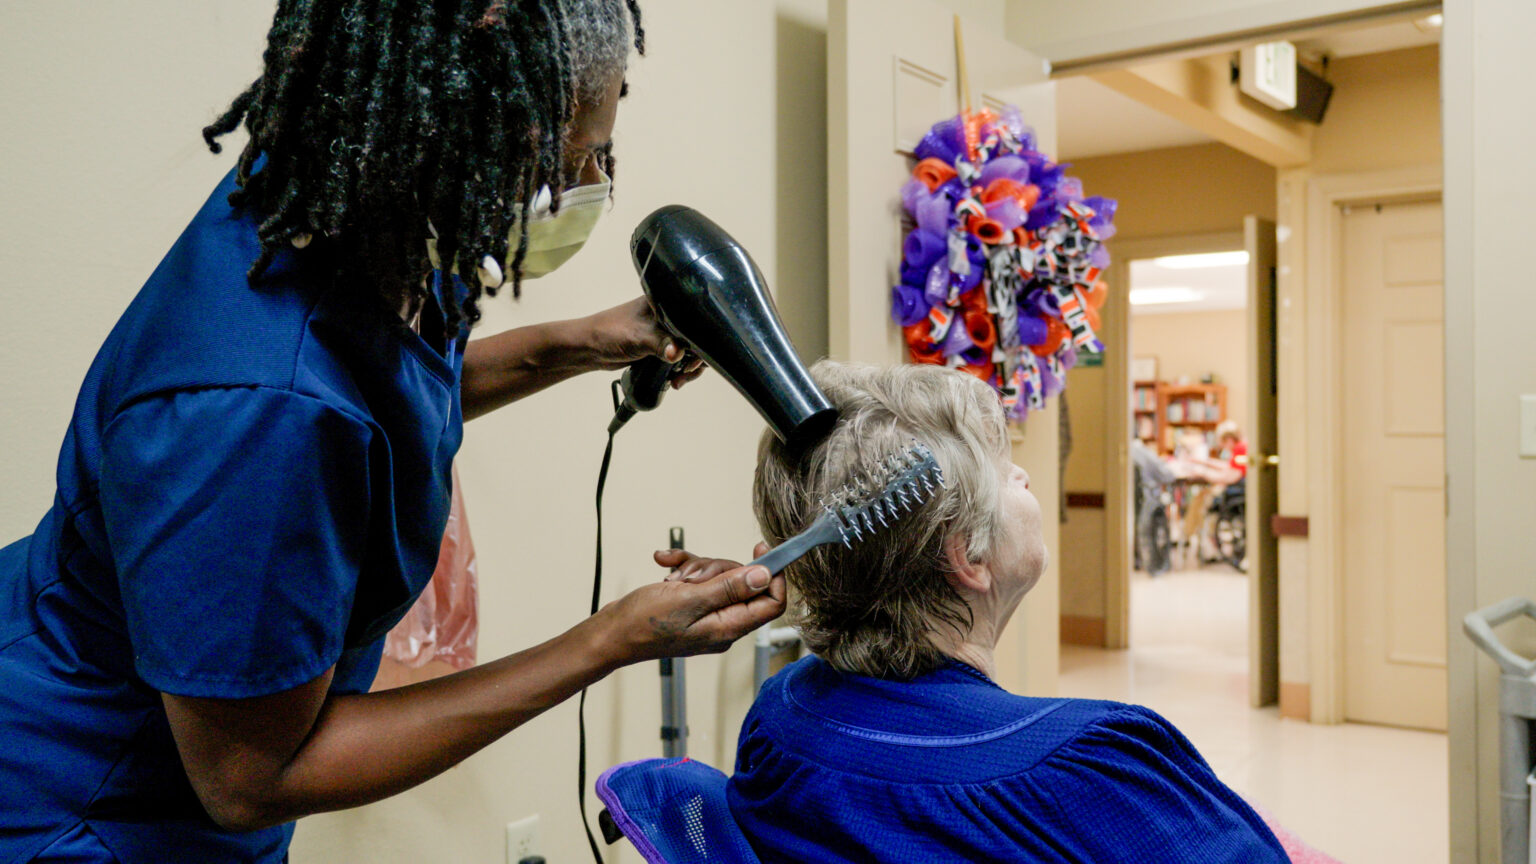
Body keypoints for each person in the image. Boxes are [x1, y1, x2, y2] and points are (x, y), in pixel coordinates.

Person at [0, 3, 784, 862]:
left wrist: (580, 344)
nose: (593, 181)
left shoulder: (363, 201)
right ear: (467, 133)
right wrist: (608, 641)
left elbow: (385, 393)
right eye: (575, 161)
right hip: (92, 798)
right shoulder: (259, 414)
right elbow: (248, 780)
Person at [723, 361, 1286, 863]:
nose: (1024, 475)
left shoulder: (780, 715)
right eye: (1002, 464)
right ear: (967, 552)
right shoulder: (1095, 768)